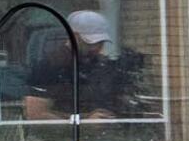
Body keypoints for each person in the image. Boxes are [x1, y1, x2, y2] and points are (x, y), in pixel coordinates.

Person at [20, 9, 152, 123]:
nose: (97, 48)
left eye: (101, 42)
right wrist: (83, 124)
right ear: (75, 37)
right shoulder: (49, 67)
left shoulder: (99, 65)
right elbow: (36, 115)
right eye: (91, 42)